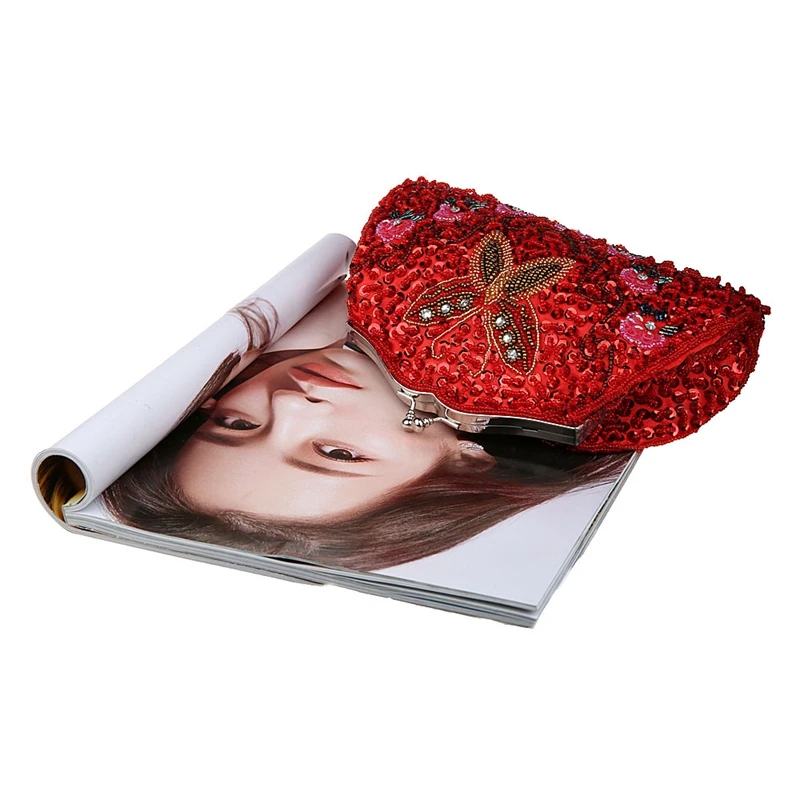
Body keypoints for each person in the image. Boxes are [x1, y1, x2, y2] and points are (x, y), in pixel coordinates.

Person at [104, 291, 627, 571]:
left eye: (237, 423)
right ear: (467, 461)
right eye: (336, 453)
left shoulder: (317, 296)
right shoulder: (587, 372)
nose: (289, 404)